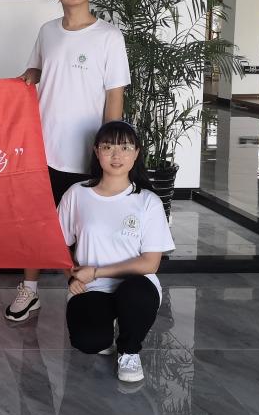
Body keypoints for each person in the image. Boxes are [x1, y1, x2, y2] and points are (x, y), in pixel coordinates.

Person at [5, 0, 131, 322]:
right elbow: (36, 69)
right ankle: (30, 289)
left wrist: (111, 150)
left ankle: (91, 293)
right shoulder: (48, 31)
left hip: (87, 151)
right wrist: (25, 79)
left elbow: (115, 95)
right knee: (37, 220)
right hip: (44, 146)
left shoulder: (109, 36)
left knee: (86, 226)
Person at [60, 120, 175, 383]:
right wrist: (71, 276)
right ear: (96, 151)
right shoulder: (77, 195)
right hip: (91, 287)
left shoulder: (147, 201)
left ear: (136, 153)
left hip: (136, 285)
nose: (116, 155)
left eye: (125, 147)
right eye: (108, 147)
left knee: (136, 292)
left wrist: (96, 271)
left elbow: (150, 263)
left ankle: (129, 351)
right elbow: (58, 245)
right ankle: (107, 325)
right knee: (89, 341)